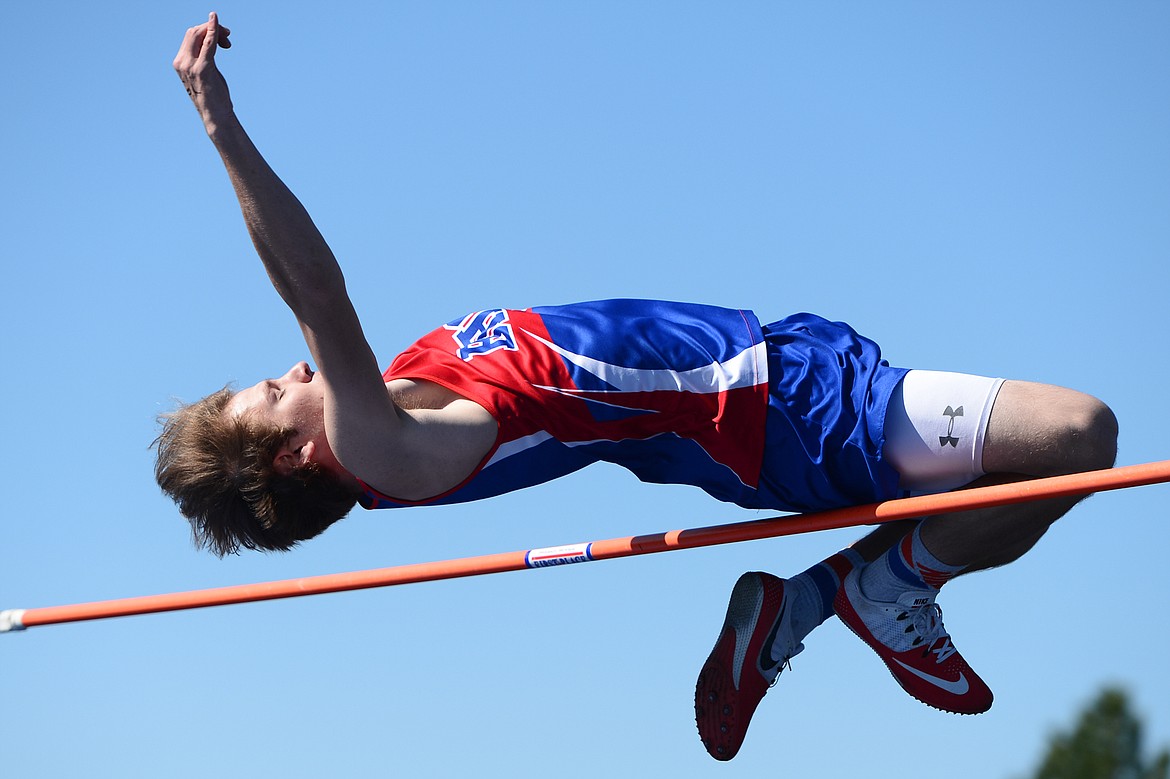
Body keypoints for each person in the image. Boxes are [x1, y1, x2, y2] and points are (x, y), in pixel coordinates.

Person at [164, 15, 1119, 761]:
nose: (292, 371)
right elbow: (317, 296)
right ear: (291, 453)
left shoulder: (402, 389)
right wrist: (221, 124)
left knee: (1009, 483)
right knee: (1078, 436)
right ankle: (875, 590)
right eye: (272, 391)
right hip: (775, 411)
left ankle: (825, 600)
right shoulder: (389, 454)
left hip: (770, 377)